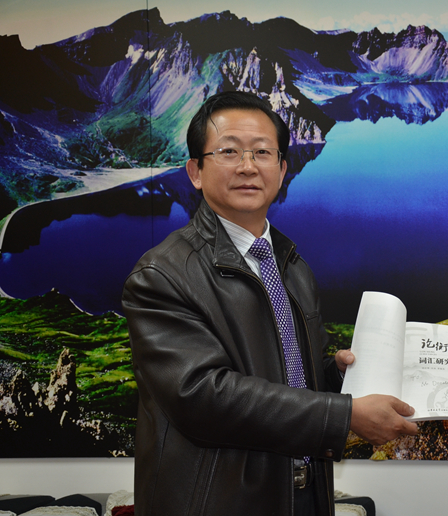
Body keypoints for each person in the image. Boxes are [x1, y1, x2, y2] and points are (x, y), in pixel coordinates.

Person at [122, 90, 418, 516]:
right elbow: (203, 398)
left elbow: (292, 375)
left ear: (281, 170)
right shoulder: (161, 275)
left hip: (303, 496)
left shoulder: (291, 265)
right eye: (229, 151)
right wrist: (343, 415)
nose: (248, 166)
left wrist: (336, 375)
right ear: (196, 172)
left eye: (262, 152)